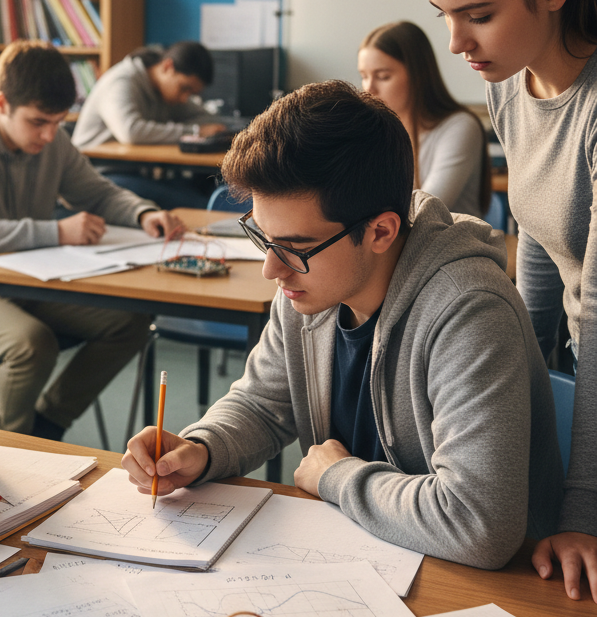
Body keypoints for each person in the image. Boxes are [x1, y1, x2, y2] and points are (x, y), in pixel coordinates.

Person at [122, 81, 562, 571]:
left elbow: (478, 524)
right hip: (364, 554)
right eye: (263, 237)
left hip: (484, 584)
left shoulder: (468, 310)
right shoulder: (311, 281)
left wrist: (337, 478)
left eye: (293, 246)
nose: (272, 267)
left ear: (380, 232)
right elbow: (265, 404)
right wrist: (201, 448)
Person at [421, 0, 597, 600]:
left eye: (478, 16)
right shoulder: (511, 85)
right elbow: (536, 246)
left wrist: (583, 506)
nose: (455, 44)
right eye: (444, 16)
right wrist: (513, 377)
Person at [0, 39, 185, 439]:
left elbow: (97, 191)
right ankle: (15, 448)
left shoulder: (50, 138)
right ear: (0, 104)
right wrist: (55, 231)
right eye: (38, 122)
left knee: (129, 323)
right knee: (32, 345)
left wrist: (143, 212)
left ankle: (46, 426)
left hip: (22, 276)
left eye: (59, 122)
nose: (50, 135)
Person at [358, 20, 491, 216]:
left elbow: (422, 212)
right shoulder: (377, 131)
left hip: (452, 246)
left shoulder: (460, 127)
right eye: (364, 76)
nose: (369, 88)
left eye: (383, 76)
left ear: (417, 75)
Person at [72, 41, 223, 208]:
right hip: (97, 174)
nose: (184, 99)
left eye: (192, 93)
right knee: (197, 204)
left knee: (208, 188)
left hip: (136, 172)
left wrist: (208, 128)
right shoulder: (122, 81)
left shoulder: (165, 91)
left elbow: (206, 118)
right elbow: (131, 132)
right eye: (184, 88)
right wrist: (195, 132)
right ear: (168, 67)